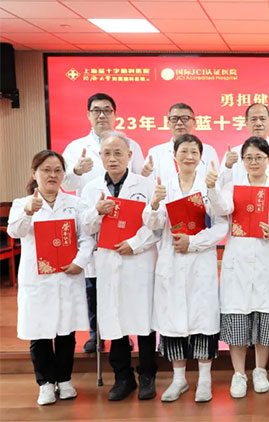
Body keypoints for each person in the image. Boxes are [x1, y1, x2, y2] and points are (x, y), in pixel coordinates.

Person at [144, 134, 228, 403]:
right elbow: (153, 225)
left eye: (194, 152)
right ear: (174, 156)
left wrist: (193, 242)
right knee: (173, 322)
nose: (189, 156)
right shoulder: (163, 185)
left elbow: (222, 226)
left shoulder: (209, 185)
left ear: (201, 157)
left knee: (202, 320)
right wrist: (154, 204)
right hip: (171, 262)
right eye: (184, 151)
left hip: (199, 262)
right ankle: (178, 379)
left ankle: (204, 379)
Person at [8, 150, 94, 405]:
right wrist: (28, 212)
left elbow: (86, 237)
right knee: (40, 332)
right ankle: (45, 383)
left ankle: (64, 379)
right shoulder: (21, 203)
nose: (52, 175)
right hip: (38, 279)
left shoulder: (75, 204)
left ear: (63, 174)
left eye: (57, 170)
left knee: (66, 332)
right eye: (46, 170)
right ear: (34, 173)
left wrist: (80, 261)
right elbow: (14, 232)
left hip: (67, 276)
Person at [61, 93, 145, 354]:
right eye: (96, 110)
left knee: (124, 288)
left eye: (107, 110)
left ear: (115, 114)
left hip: (125, 227)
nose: (101, 115)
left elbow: (138, 180)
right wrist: (76, 170)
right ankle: (95, 333)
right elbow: (64, 183)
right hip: (93, 222)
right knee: (94, 285)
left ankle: (124, 333)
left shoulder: (132, 144)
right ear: (88, 115)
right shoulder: (76, 147)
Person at [78, 131, 158, 401]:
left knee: (144, 319)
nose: (113, 158)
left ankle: (147, 375)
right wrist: (97, 212)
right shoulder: (91, 189)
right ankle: (123, 377)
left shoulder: (145, 185)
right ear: (100, 156)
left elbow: (156, 225)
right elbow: (85, 228)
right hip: (108, 261)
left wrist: (135, 244)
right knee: (114, 319)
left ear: (129, 156)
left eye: (118, 153)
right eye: (107, 154)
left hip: (139, 260)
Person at [208, 136, 269, 398]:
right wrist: (213, 186)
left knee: (264, 316)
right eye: (249, 158)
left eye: (259, 157)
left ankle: (260, 370)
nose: (254, 162)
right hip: (238, 260)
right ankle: (239, 373)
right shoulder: (234, 187)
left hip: (266, 257)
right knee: (238, 317)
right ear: (242, 161)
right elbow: (222, 208)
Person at [220, 103, 269, 185]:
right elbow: (221, 186)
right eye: (253, 119)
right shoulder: (234, 153)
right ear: (246, 122)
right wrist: (228, 166)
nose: (258, 123)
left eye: (262, 119)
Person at [141, 103, 220, 182]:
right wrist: (145, 175)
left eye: (185, 118)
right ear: (168, 123)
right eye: (174, 119)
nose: (179, 123)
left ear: (194, 123)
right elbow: (146, 183)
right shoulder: (155, 153)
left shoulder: (208, 151)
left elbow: (217, 183)